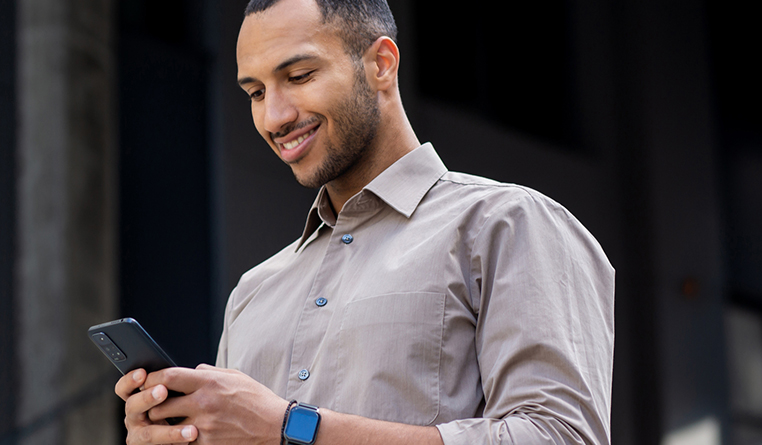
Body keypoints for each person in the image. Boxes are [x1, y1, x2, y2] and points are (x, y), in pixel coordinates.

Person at [115, 0, 616, 443]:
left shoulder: (507, 226)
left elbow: (560, 437)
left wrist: (289, 428)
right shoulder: (253, 292)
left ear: (381, 63)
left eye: (299, 76)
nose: (275, 117)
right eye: (255, 92)